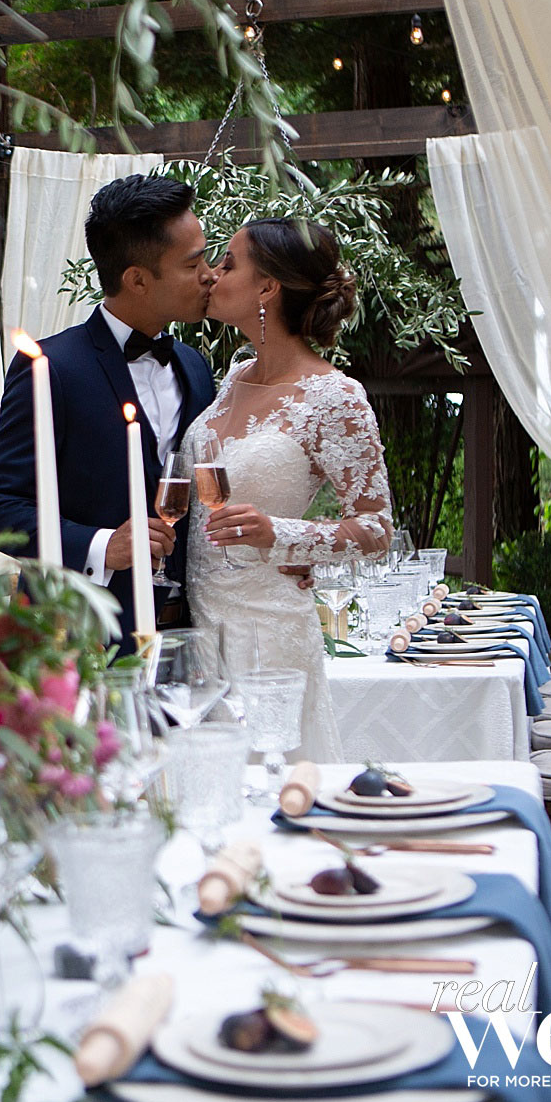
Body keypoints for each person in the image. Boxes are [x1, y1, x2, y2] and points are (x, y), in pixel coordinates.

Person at [182, 216, 395, 760]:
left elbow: (376, 528)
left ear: (267, 288)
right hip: (202, 629)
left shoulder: (334, 397)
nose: (212, 274)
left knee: (272, 783)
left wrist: (279, 535)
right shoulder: (233, 377)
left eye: (229, 264)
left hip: (269, 636)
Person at [0, 174, 216, 648]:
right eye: (193, 264)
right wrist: (103, 546)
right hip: (79, 638)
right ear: (137, 279)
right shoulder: (50, 368)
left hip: (191, 639)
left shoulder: (194, 366)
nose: (210, 274)